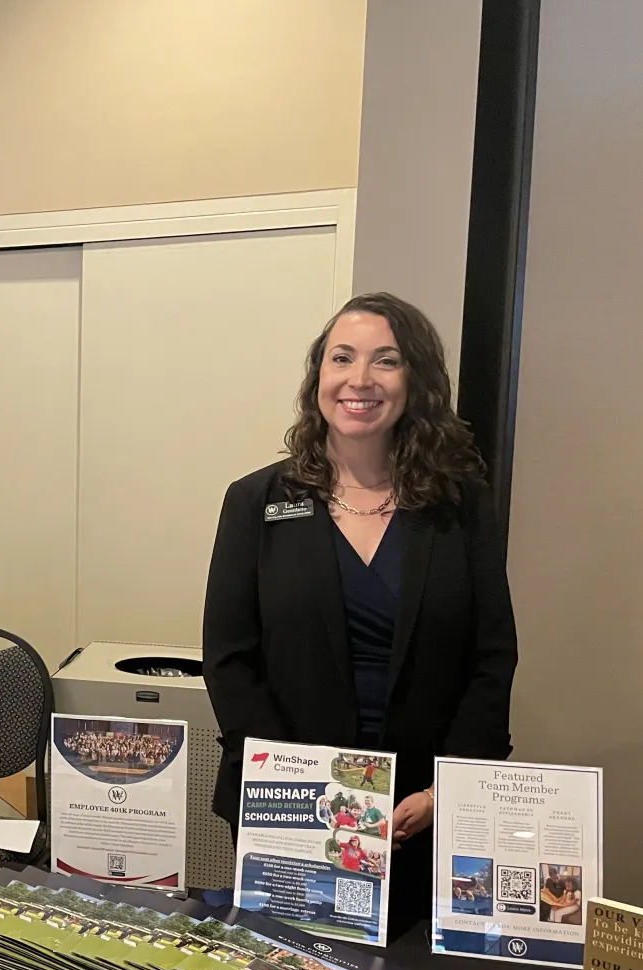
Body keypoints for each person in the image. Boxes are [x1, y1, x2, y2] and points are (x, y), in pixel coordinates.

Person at [203, 294, 517, 927]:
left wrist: (444, 792)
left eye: (387, 361)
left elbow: (492, 657)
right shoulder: (255, 501)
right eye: (341, 357)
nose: (360, 379)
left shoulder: (462, 507)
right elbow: (231, 660)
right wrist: (297, 790)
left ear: (416, 382)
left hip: (418, 814)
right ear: (319, 374)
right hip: (290, 811)